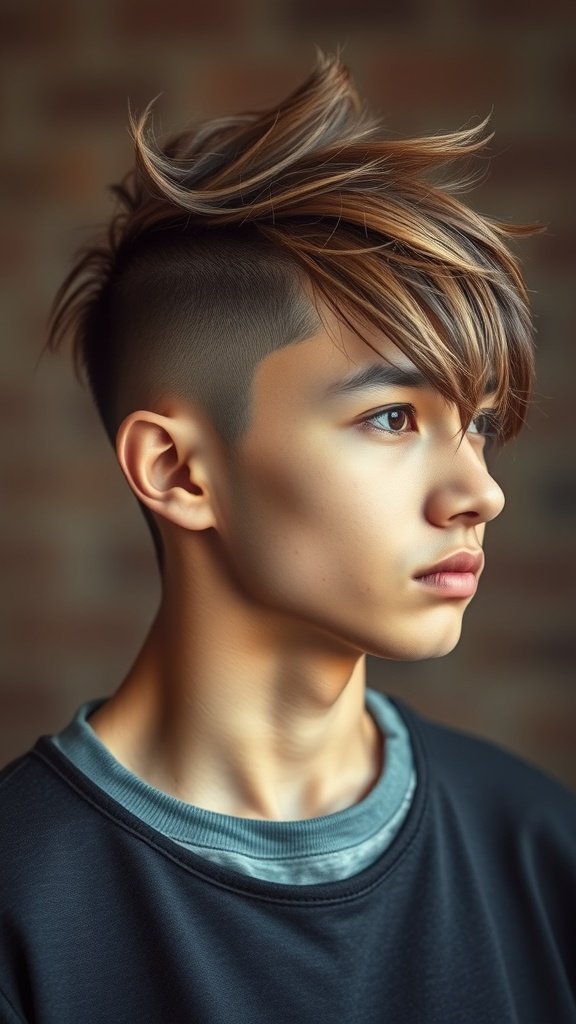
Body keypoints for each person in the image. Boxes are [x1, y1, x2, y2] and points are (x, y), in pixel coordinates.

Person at [1, 52, 574, 1024]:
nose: (480, 491)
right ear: (180, 472)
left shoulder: (542, 845)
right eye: (393, 418)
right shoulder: (23, 907)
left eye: (474, 424)